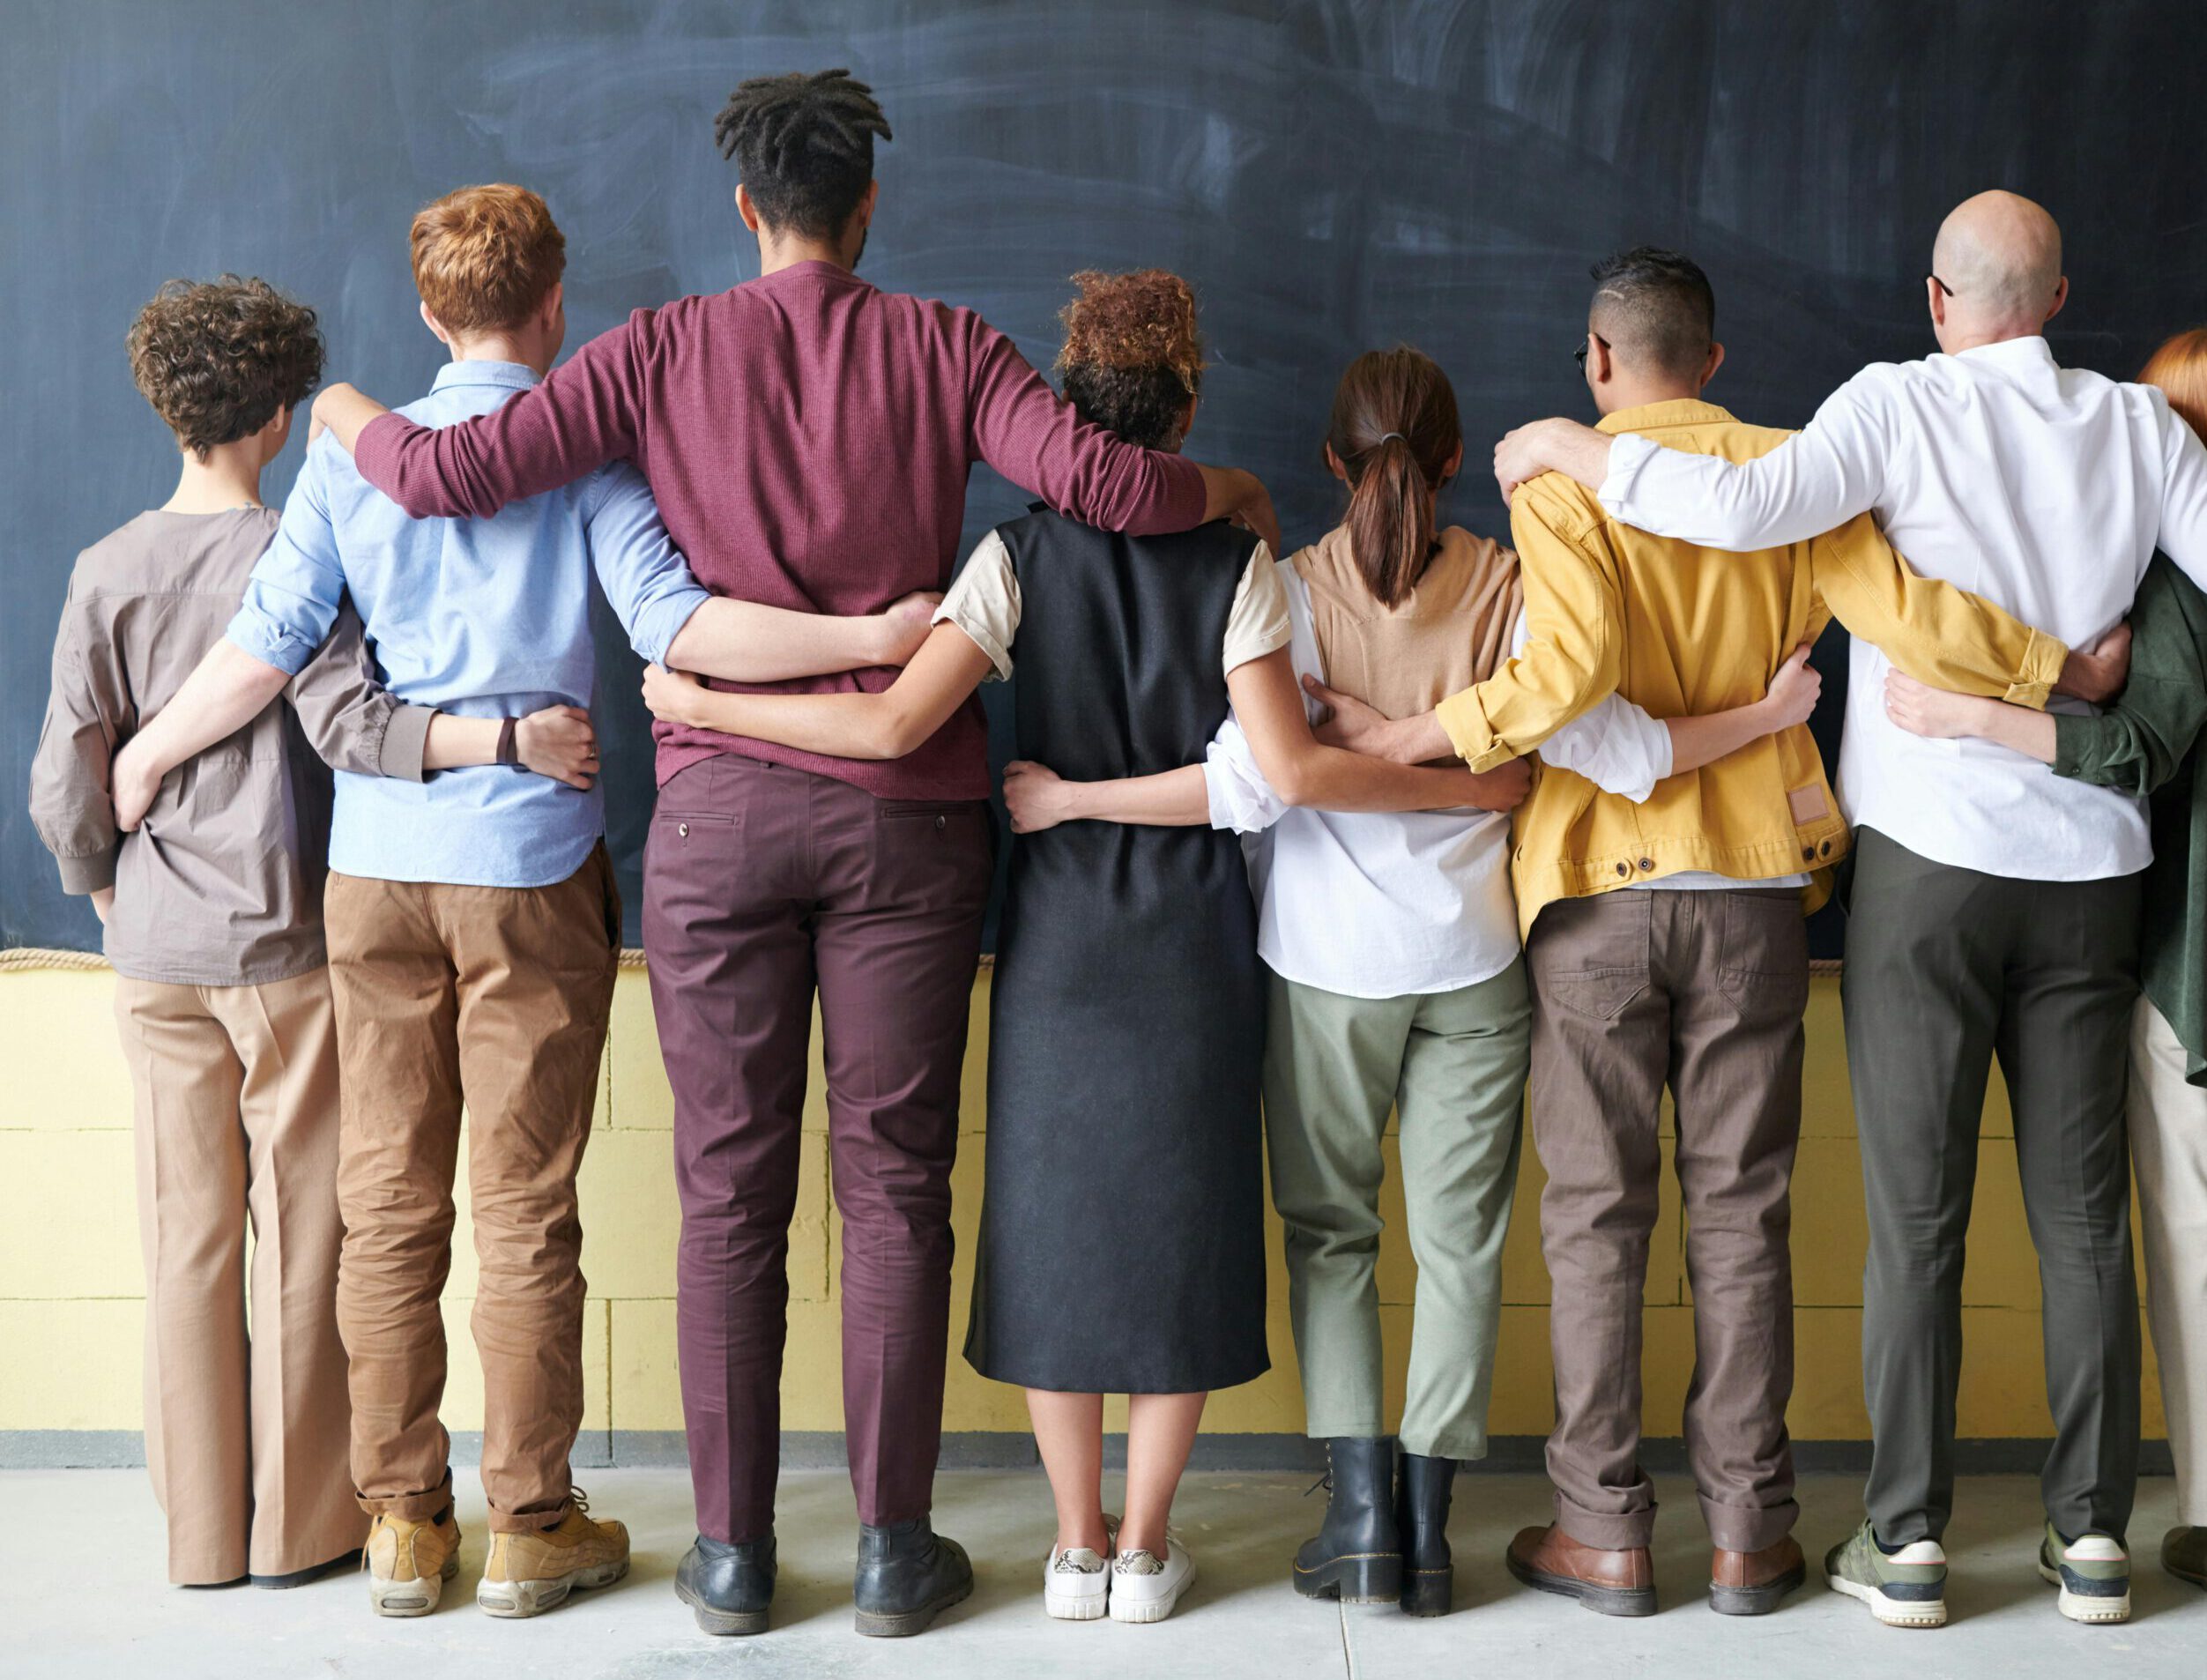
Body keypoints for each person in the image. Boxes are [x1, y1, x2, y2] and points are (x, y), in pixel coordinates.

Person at [309, 71, 1280, 1639]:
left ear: (746, 210)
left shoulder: (653, 351)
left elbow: (445, 476)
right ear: (868, 206)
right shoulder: (949, 346)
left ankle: (733, 1558)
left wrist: (349, 407)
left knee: (726, 1193)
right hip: (908, 826)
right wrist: (1230, 491)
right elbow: (1104, 484)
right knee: (896, 1189)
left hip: (716, 819)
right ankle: (897, 1551)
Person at [1490, 193, 2207, 1630]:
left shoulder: (1892, 408)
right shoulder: (2136, 426)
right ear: (2055, 299)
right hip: (2093, 872)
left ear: (1936, 299)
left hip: (1924, 863)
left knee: (1917, 1220)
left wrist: (1563, 447)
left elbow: (1729, 504)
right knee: (2083, 1219)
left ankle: (1905, 1541)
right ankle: (2093, 1540)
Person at [640, 272, 1524, 1626]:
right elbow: (1278, 767)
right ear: (1185, 405)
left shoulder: (1011, 559)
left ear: (1065, 410)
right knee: (1180, 1230)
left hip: (1055, 937)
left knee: (1053, 1228)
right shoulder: (1238, 562)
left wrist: (703, 698)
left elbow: (885, 730)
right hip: (1191, 937)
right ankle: (1148, 1544)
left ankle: (1071, 1543)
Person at [110, 188, 940, 1620]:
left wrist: (145, 750)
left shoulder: (350, 468)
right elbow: (678, 625)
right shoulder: (592, 463)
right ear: (556, 304)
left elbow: (263, 653)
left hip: (375, 866)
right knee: (524, 1204)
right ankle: (532, 1520)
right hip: (532, 869)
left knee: (385, 1201)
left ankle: (401, 1527)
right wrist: (873, 642)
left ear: (433, 313)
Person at [1304, 249, 2112, 1620]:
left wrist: (1411, 737)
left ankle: (1603, 1532)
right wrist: (2055, 670)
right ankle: (1751, 1534)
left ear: (1600, 361)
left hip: (1598, 897)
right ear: (1717, 362)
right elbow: (1906, 616)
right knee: (1745, 1217)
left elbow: (1560, 681)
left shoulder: (1560, 484)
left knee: (1594, 1221)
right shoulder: (1792, 470)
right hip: (1752, 890)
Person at [1002, 344, 1695, 1619]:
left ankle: (1364, 1522)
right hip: (1478, 955)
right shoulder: (1509, 579)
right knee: (1462, 1245)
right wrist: (1470, 781)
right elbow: (1557, 746)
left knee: (1334, 1237)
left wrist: (1355, 743)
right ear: (1450, 456)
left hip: (1322, 963)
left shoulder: (1286, 584)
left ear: (1330, 461)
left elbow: (1252, 783)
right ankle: (1429, 1533)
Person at [27, 276, 577, 1591]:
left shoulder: (104, 568)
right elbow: (348, 723)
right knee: (310, 1233)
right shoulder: (302, 549)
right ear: (281, 418)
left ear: (169, 409)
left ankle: (202, 1534)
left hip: (154, 950)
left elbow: (67, 773)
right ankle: (304, 1529)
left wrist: (103, 884)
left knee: (186, 1238)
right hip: (280, 946)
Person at [1882, 324, 2207, 1617]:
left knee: (2199, 1256)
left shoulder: (2183, 596)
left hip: (2197, 983)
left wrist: (1972, 715)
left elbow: (2135, 751)